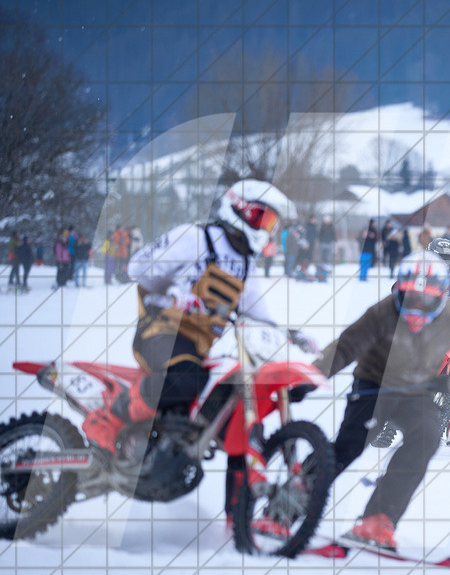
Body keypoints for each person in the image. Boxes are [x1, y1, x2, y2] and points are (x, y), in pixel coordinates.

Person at [79, 180, 310, 457]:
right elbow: (139, 267)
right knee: (187, 380)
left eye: (271, 223)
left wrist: (293, 335)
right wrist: (174, 294)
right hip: (160, 331)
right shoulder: (195, 238)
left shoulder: (246, 265)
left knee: (223, 395)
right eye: (262, 218)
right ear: (239, 208)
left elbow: (259, 314)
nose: (265, 229)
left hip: (197, 348)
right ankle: (112, 416)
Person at [313, 251, 450, 549]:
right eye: (410, 298)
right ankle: (295, 497)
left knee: (427, 438)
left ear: (441, 296)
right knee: (351, 445)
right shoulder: (383, 312)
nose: (417, 306)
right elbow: (346, 346)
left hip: (418, 391)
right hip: (374, 385)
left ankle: (379, 517)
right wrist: (312, 375)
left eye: (427, 300)